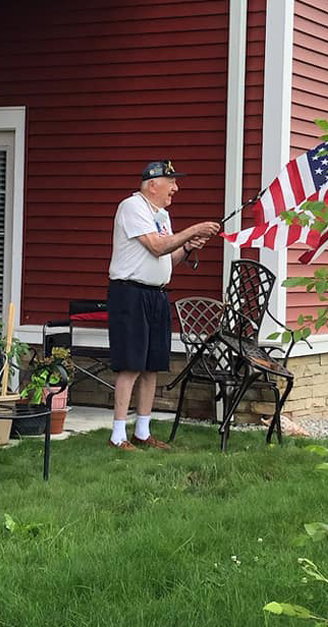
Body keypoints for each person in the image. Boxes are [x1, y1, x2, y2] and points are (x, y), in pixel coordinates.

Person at [107, 160, 221, 450]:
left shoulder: (162, 215)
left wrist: (187, 246)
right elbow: (157, 246)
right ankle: (117, 434)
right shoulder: (132, 207)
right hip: (130, 293)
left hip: (157, 294)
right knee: (131, 364)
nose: (176, 188)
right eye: (171, 182)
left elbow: (167, 257)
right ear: (153, 183)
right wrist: (193, 229)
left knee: (152, 365)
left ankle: (142, 432)